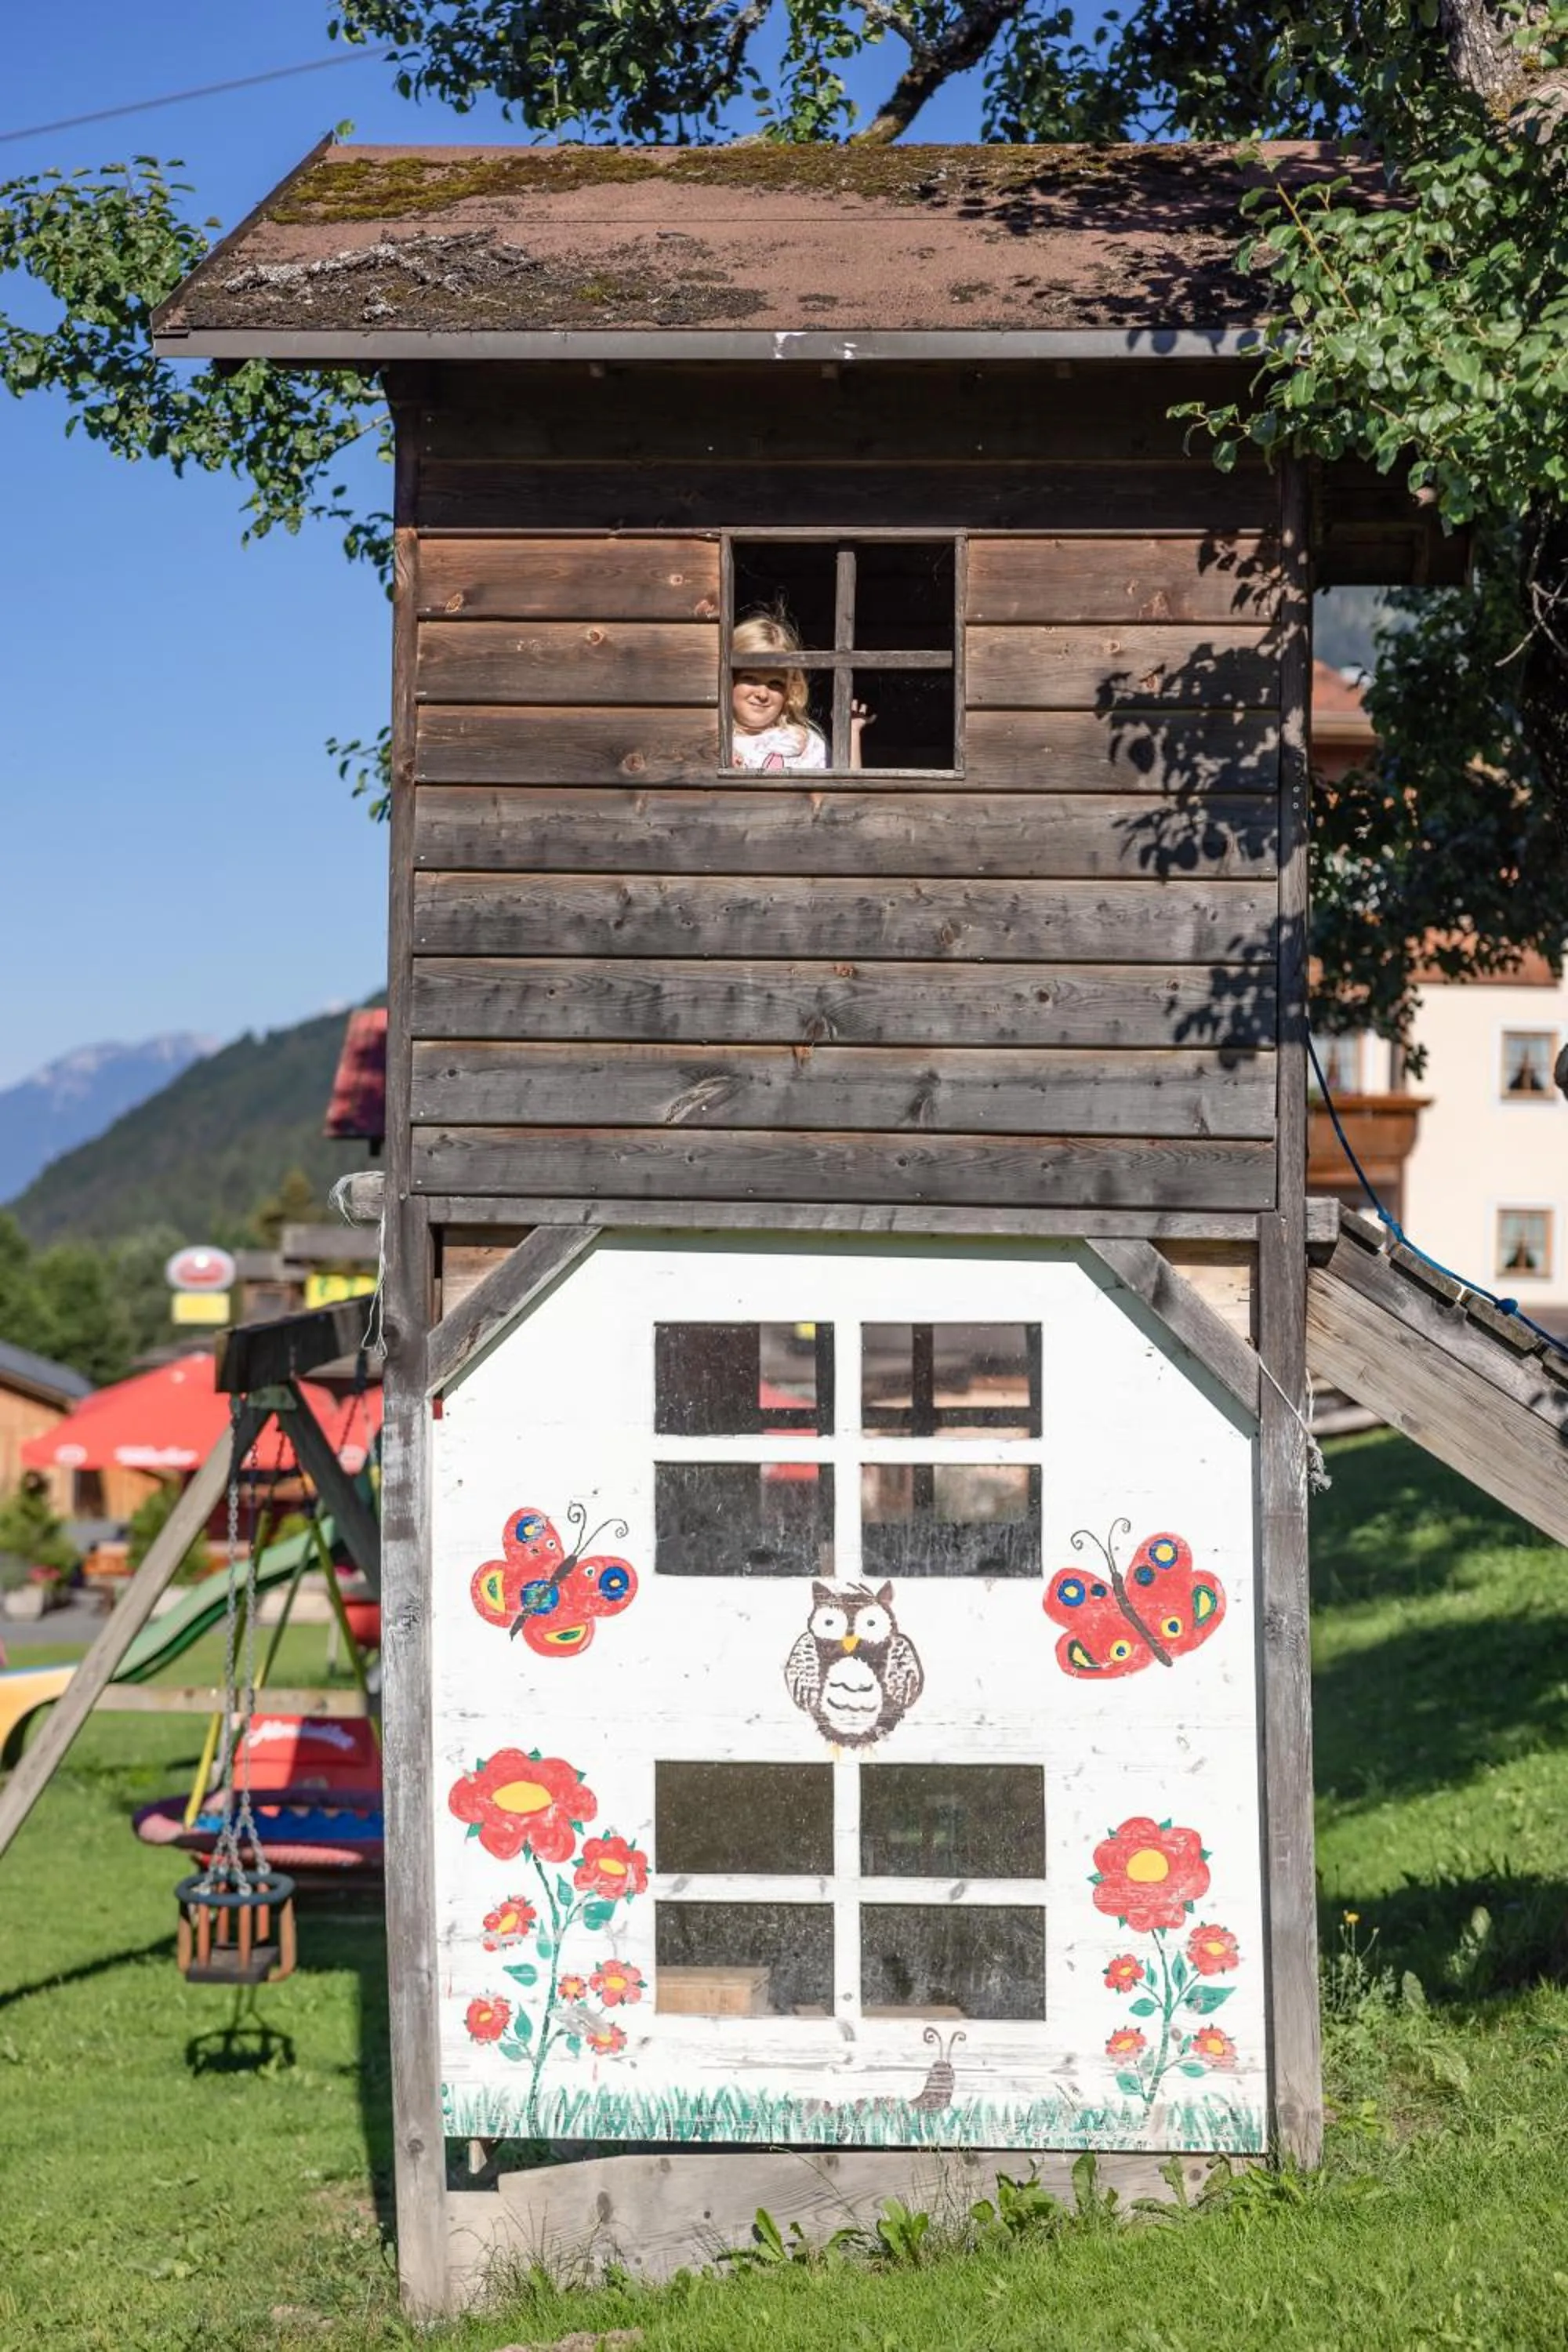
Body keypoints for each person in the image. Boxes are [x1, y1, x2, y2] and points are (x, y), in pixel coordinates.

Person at [729, 612, 872, 771]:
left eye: (775, 683)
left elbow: (846, 790)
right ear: (730, 681)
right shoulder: (715, 742)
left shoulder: (805, 744)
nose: (762, 694)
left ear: (789, 691)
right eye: (750, 679)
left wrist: (850, 733)